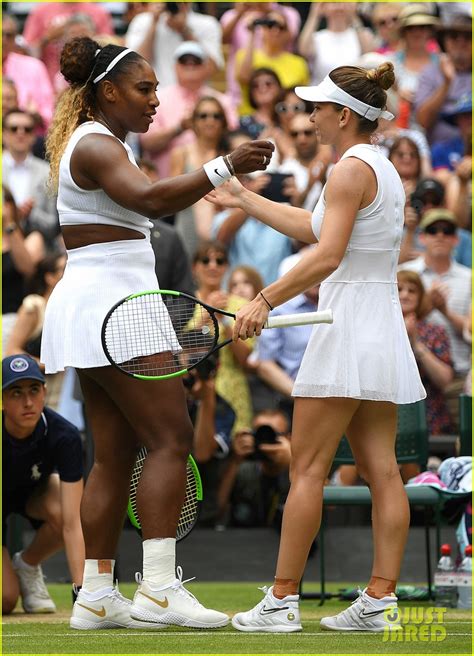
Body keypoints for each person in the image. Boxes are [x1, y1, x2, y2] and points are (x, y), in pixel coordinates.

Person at [41, 36, 273, 631]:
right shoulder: (95, 144)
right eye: (144, 89)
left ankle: (95, 592)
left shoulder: (97, 141)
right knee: (171, 439)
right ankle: (161, 587)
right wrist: (224, 165)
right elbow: (148, 197)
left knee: (114, 454)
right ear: (108, 92)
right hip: (118, 306)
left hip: (96, 305)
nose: (155, 100)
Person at [206, 61, 426, 633]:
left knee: (306, 470)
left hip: (347, 322)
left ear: (345, 115)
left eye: (318, 108)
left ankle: (281, 601)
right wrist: (247, 201)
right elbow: (317, 228)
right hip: (377, 328)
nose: (310, 115)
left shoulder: (351, 169)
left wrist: (265, 299)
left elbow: (327, 256)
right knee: (382, 472)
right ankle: (379, 601)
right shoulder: (376, 166)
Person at [2, 354, 84, 615]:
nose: (28, 402)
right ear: (2, 400)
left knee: (65, 506)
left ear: (44, 392)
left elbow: (72, 522)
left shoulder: (65, 435)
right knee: (5, 599)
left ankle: (26, 566)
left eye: (34, 390)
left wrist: (82, 594)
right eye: (16, 393)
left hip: (32, 494)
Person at [398, 208, 471, 430]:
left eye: (447, 231)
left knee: (464, 444)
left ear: (456, 239)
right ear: (422, 237)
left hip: (458, 375)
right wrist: (428, 305)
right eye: (432, 230)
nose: (440, 235)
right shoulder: (405, 273)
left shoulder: (470, 278)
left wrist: (444, 310)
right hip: (406, 370)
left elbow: (471, 331)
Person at [170, 96, 231, 259]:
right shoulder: (181, 154)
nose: (209, 121)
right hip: (186, 224)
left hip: (221, 234)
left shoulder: (230, 156)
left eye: (216, 116)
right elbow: (172, 194)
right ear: (193, 121)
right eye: (203, 116)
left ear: (223, 122)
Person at [216, 408, 292, 529]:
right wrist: (235, 461)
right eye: (260, 435)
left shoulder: (299, 473)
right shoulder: (242, 470)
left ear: (289, 438)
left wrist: (292, 462)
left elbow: (328, 509)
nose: (266, 441)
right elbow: (216, 512)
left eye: (273, 435)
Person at [125, 2, 224, 90]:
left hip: (195, 98)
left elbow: (212, 68)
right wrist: (154, 23)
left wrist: (184, 30)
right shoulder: (142, 21)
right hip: (155, 96)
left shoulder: (208, 23)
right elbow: (135, 66)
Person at [235, 10, 310, 117]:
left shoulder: (298, 63)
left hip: (286, 121)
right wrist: (252, 32)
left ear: (288, 33)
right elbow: (244, 77)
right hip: (251, 121)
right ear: (262, 28)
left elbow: (302, 99)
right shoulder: (245, 55)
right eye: (270, 25)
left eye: (281, 27)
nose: (275, 30)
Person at [2, 109, 59, 245]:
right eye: (14, 128)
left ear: (34, 135)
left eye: (27, 129)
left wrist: (31, 214)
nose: (20, 133)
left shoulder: (47, 173)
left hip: (36, 246)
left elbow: (53, 225)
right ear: (3, 134)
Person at [414, 12, 472, 144]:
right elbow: (423, 121)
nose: (461, 42)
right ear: (444, 41)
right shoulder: (430, 73)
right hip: (439, 155)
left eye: (468, 36)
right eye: (454, 36)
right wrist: (447, 83)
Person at [298, 3, 375, 85]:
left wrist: (353, 16)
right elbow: (303, 51)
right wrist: (314, 15)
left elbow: (369, 53)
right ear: (323, 7)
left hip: (353, 93)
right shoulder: (316, 37)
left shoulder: (361, 34)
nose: (339, 7)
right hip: (321, 94)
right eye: (333, 2)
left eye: (344, 2)